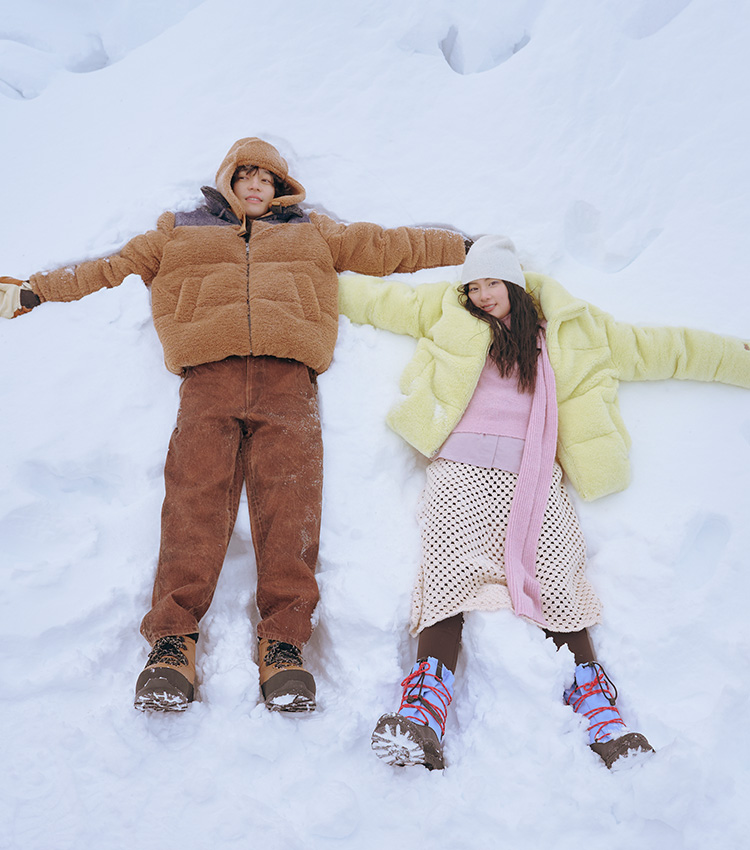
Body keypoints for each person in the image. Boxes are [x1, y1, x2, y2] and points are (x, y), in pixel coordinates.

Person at [0, 136, 469, 714]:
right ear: (227, 180)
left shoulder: (313, 232)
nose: (254, 185)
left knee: (290, 507)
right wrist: (36, 291)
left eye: (266, 179)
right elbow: (110, 267)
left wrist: (468, 248)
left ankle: (284, 647)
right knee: (194, 500)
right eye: (245, 175)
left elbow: (388, 246)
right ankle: (173, 647)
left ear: (280, 188)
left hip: (289, 380)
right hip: (208, 377)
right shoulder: (178, 231)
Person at [337, 235, 750, 769]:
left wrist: (740, 360)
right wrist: (296, 279)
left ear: (516, 281)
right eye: (474, 286)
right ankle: (422, 715)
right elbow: (373, 301)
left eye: (493, 283)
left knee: (557, 571)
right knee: (447, 573)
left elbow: (663, 348)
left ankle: (602, 716)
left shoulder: (576, 330)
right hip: (458, 469)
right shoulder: (444, 310)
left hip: (534, 475)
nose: (483, 295)